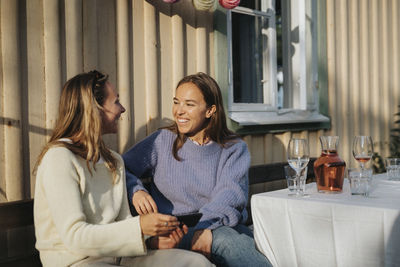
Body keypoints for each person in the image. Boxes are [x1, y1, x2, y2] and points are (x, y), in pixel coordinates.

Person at [33, 70, 213, 267]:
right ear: (95, 108)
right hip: (75, 261)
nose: (122, 109)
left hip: (120, 257)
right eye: (116, 102)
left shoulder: (113, 160)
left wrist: (151, 241)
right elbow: (75, 237)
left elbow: (122, 223)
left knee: (196, 263)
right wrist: (140, 227)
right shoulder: (59, 158)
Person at [123, 72, 272, 267]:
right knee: (229, 241)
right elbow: (119, 168)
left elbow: (229, 197)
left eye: (189, 104)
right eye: (176, 102)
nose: (179, 111)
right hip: (174, 232)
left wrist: (202, 232)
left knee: (232, 239)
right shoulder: (161, 141)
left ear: (210, 110)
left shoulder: (233, 147)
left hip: (217, 226)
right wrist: (136, 190)